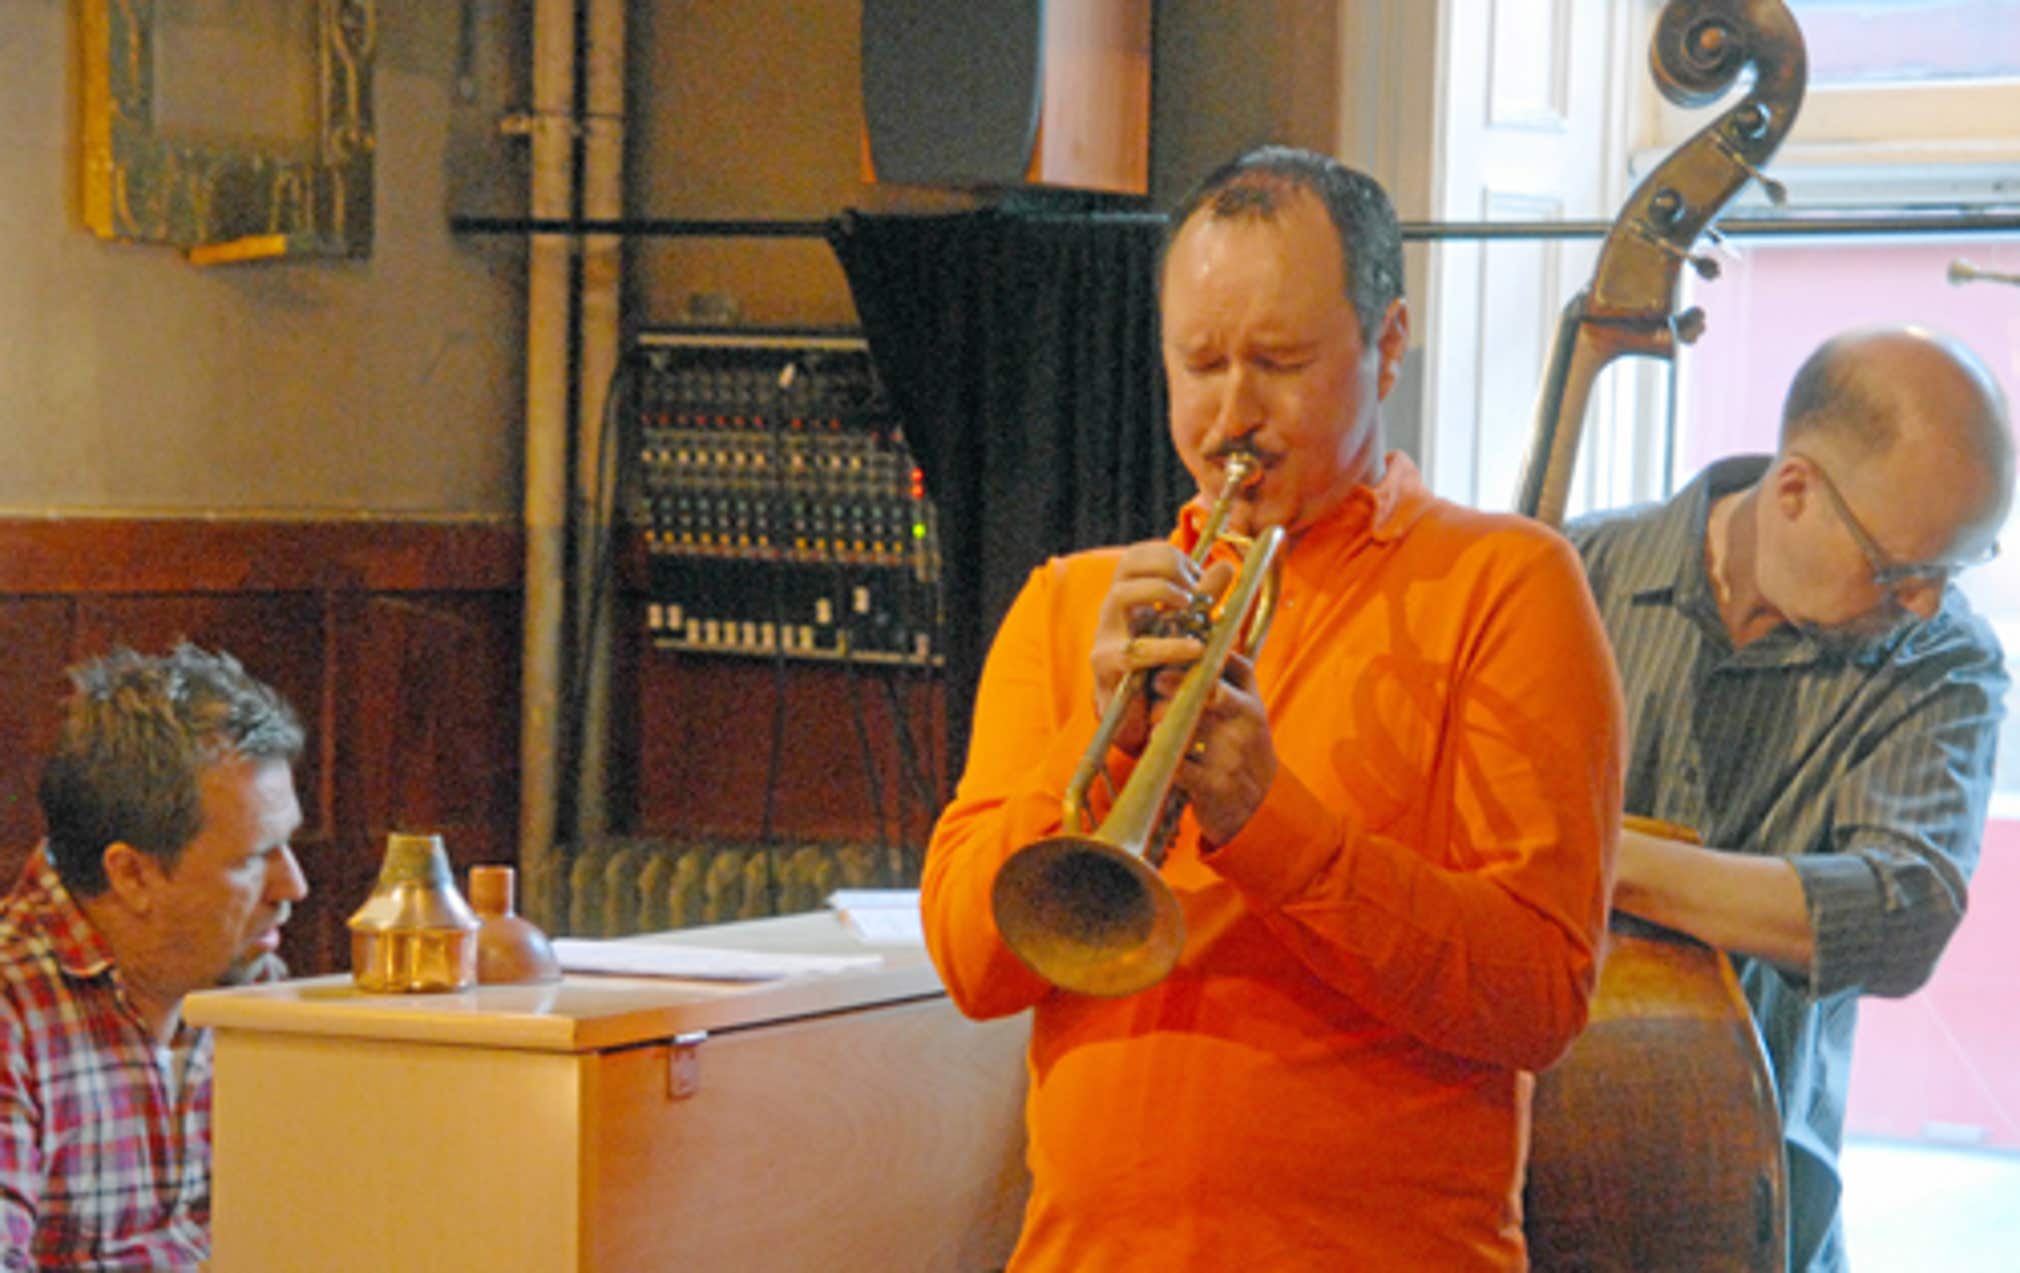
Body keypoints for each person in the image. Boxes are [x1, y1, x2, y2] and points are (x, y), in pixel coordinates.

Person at [922, 145, 1625, 1268]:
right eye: (1198, 364)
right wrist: (1096, 741)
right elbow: (970, 958)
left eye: (1280, 361)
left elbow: (1537, 996)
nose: (1231, 416)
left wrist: (1271, 825)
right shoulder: (1068, 603)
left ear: (1387, 343)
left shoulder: (1508, 584)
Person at [1565, 325, 2013, 1272]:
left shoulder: (1941, 660)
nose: (1928, 603)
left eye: (1956, 569)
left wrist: (1599, 855)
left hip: (1752, 1201)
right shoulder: (1570, 572)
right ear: (1796, 490)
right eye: (1904, 569)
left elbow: (1901, 914)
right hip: (1531, 1173)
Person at [0, 643, 309, 1268]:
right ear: (132, 874)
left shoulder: (251, 981)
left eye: (288, 847)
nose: (293, 887)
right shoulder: (13, 1013)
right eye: (254, 859)